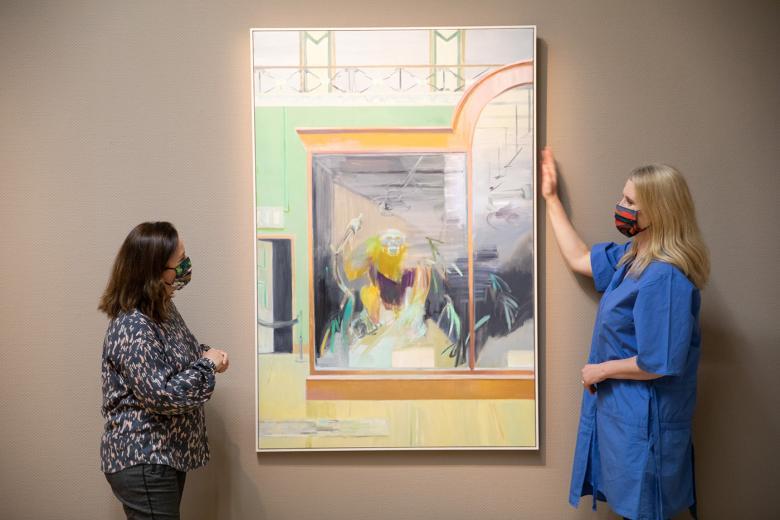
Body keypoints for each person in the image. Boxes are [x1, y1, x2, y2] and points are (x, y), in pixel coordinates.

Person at [540, 147, 709, 520]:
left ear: (658, 213)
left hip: (647, 423)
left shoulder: (663, 277)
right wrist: (551, 198)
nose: (620, 205)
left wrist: (599, 370)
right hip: (624, 416)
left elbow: (659, 361)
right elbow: (580, 258)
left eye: (629, 201)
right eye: (623, 196)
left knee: (646, 509)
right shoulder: (632, 256)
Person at [98, 222, 229, 519]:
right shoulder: (133, 325)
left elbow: (180, 356)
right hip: (145, 458)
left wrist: (208, 355)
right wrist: (207, 364)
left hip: (162, 457)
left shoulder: (162, 311)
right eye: (178, 262)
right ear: (154, 271)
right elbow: (163, 394)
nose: (185, 267)